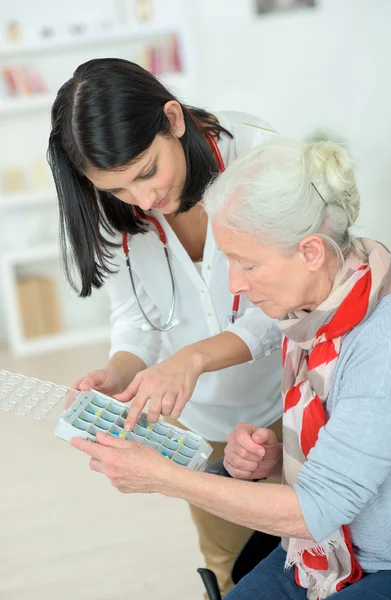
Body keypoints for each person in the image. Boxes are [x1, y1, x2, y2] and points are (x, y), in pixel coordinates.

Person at [71, 138, 391, 599]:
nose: (236, 286)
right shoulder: (322, 307)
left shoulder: (383, 343)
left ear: (310, 252)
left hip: (379, 563)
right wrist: (281, 456)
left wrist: (165, 478)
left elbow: (316, 509)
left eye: (247, 264)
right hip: (315, 550)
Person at [47, 57, 284, 597]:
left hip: (294, 399)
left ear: (173, 120)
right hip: (204, 426)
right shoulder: (116, 209)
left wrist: (192, 359)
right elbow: (137, 317)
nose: (144, 201)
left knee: (323, 556)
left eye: (148, 172)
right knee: (231, 567)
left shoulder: (258, 156)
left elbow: (289, 307)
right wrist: (118, 369)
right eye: (120, 190)